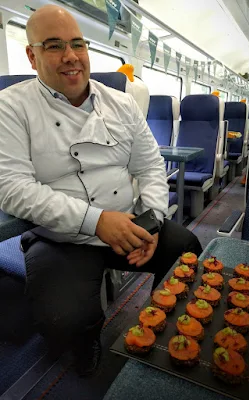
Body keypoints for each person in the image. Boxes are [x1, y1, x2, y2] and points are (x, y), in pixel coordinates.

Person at [0, 5, 202, 376]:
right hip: (59, 236)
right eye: (54, 46)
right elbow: (12, 189)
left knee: (186, 249)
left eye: (78, 44)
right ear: (32, 55)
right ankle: (85, 343)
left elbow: (151, 166)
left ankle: (167, 325)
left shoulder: (121, 103)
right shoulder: (10, 107)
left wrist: (152, 222)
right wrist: (95, 222)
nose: (71, 57)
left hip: (130, 224)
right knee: (63, 322)